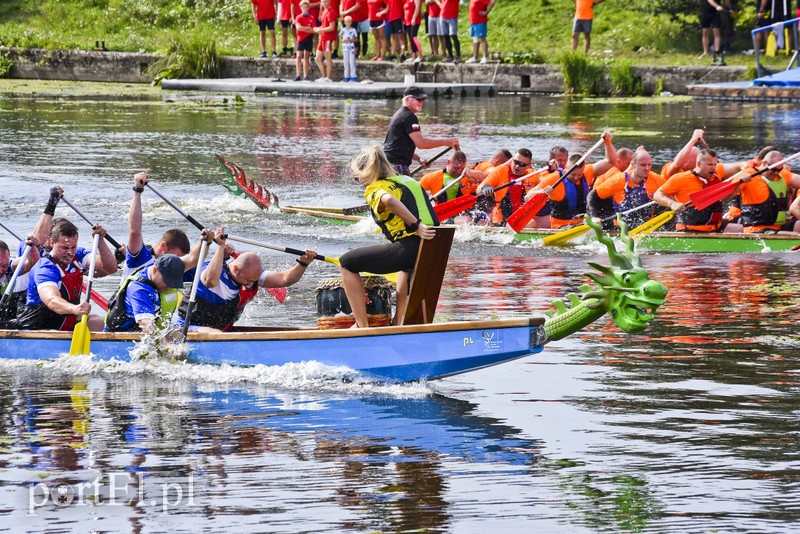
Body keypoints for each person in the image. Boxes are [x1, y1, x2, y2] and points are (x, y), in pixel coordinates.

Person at [339, 145, 438, 328]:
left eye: (357, 178)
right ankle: (398, 322)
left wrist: (416, 226)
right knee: (404, 268)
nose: (359, 183)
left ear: (366, 174)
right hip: (433, 248)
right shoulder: (408, 180)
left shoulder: (374, 188)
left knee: (346, 263)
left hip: (410, 247)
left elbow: (390, 200)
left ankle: (361, 326)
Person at [175, 228, 317, 332]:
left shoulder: (251, 274)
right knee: (215, 333)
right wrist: (220, 246)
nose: (251, 284)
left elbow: (285, 279)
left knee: (218, 333)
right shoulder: (212, 270)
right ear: (236, 269)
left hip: (218, 332)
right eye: (248, 280)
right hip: (186, 328)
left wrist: (303, 263)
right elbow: (210, 282)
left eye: (253, 280)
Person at [18, 219, 118, 332]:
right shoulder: (45, 268)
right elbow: (52, 300)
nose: (70, 252)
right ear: (52, 243)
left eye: (73, 247)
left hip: (66, 323)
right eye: (64, 248)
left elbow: (111, 268)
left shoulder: (78, 256)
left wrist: (100, 241)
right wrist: (75, 309)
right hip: (40, 328)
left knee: (109, 324)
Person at [383, 85, 460, 175]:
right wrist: (447, 142)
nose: (421, 102)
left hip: (386, 166)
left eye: (422, 99)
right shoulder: (410, 117)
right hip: (397, 167)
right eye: (418, 99)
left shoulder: (398, 115)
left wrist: (419, 159)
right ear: (407, 99)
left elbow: (397, 148)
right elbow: (421, 143)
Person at [104, 254, 187, 332]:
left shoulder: (159, 270)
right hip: (123, 335)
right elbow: (147, 326)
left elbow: (191, 259)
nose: (169, 287)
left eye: (174, 283)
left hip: (155, 330)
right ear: (154, 270)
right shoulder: (139, 290)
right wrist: (167, 341)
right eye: (167, 281)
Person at [587, 148, 666, 229]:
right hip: (620, 227)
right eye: (643, 165)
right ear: (633, 164)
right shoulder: (618, 180)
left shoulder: (657, 179)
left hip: (647, 227)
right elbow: (592, 195)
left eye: (649, 165)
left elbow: (672, 188)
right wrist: (594, 217)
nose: (647, 168)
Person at [654, 148, 726, 233]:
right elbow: (657, 195)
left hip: (714, 228)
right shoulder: (680, 178)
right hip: (689, 230)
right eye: (710, 164)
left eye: (715, 164)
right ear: (698, 163)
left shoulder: (716, 174)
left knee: (737, 228)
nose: (713, 168)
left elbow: (737, 167)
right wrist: (672, 204)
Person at [727, 150, 800, 234]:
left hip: (779, 227)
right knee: (795, 235)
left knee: (798, 224)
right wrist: (739, 182)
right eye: (774, 169)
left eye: (779, 170)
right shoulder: (748, 174)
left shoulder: (782, 175)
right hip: (756, 230)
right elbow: (726, 198)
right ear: (765, 163)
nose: (776, 173)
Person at [477, 148, 537, 225]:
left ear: (528, 165)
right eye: (516, 162)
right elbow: (479, 188)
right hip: (500, 219)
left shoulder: (533, 174)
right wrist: (485, 188)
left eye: (522, 164)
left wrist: (551, 170)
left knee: (532, 223)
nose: (517, 166)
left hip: (522, 219)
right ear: (512, 160)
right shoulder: (500, 171)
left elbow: (546, 180)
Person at [532, 153, 593, 228]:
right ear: (566, 168)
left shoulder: (587, 172)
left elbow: (607, 162)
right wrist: (544, 191)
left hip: (582, 223)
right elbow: (528, 196)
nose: (576, 177)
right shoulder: (554, 177)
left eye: (579, 175)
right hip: (560, 225)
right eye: (573, 174)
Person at [0, 237, 40, 323]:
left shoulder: (10, 267)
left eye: (4, 266)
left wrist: (32, 247)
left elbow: (32, 262)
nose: (1, 271)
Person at [314, 0, 337, 82]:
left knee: (328, 58)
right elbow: (324, 25)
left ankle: (328, 78)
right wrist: (318, 28)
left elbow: (332, 27)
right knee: (317, 58)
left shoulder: (331, 12)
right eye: (323, 2)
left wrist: (321, 30)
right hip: (322, 37)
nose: (324, 3)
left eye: (326, 1)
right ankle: (324, 76)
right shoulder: (324, 11)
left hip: (327, 38)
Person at [294, 0, 317, 81]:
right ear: (301, 8)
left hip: (309, 38)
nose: (305, 9)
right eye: (303, 7)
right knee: (299, 56)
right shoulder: (298, 17)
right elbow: (298, 28)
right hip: (300, 39)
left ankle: (305, 75)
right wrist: (307, 28)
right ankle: (298, 75)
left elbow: (313, 30)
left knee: (306, 56)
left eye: (306, 7)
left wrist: (305, 29)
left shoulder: (312, 18)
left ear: (308, 8)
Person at [340, 15, 359, 81]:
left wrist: (350, 40)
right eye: (346, 22)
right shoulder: (343, 30)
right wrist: (343, 40)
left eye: (349, 22)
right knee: (346, 62)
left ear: (351, 22)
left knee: (352, 62)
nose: (348, 23)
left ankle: (353, 76)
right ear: (344, 22)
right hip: (345, 47)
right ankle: (346, 76)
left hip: (351, 48)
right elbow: (340, 37)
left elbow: (356, 39)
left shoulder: (353, 30)